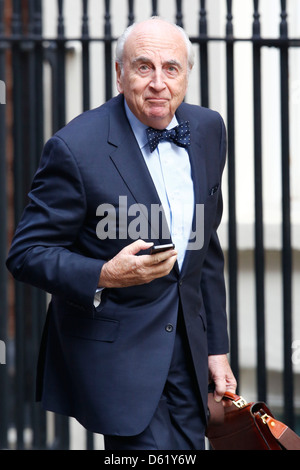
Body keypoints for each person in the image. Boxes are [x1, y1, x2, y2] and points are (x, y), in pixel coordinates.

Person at [6, 17, 236, 450]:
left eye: (171, 68)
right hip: (120, 360)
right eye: (143, 66)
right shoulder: (75, 147)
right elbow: (27, 253)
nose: (158, 83)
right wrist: (105, 274)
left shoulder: (208, 129)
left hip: (189, 358)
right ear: (119, 72)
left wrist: (216, 350)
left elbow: (206, 247)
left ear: (187, 74)